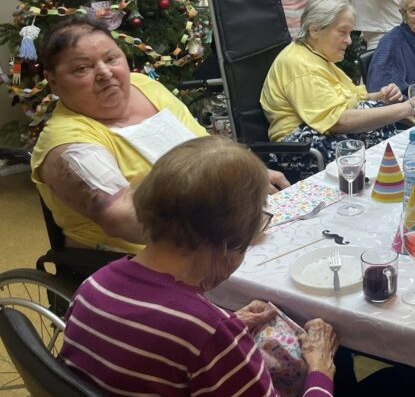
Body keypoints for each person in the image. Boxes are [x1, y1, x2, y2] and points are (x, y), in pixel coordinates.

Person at [59, 136, 342, 397]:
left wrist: (226, 325)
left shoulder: (92, 287)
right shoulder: (207, 334)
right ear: (229, 243)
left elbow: (149, 350)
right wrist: (321, 367)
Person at [31, 17, 287, 256]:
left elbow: (204, 144)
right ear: (53, 81)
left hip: (213, 230)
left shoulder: (142, 85)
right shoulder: (68, 143)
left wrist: (248, 174)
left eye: (111, 59)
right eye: (82, 68)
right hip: (142, 259)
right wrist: (221, 228)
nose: (105, 73)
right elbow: (122, 218)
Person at [261, 0, 415, 157]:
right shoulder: (301, 64)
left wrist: (380, 97)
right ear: (314, 30)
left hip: (320, 132)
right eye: (342, 32)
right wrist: (408, 106)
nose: (349, 41)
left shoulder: (317, 56)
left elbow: (347, 99)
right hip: (300, 146)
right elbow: (338, 121)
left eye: (349, 33)